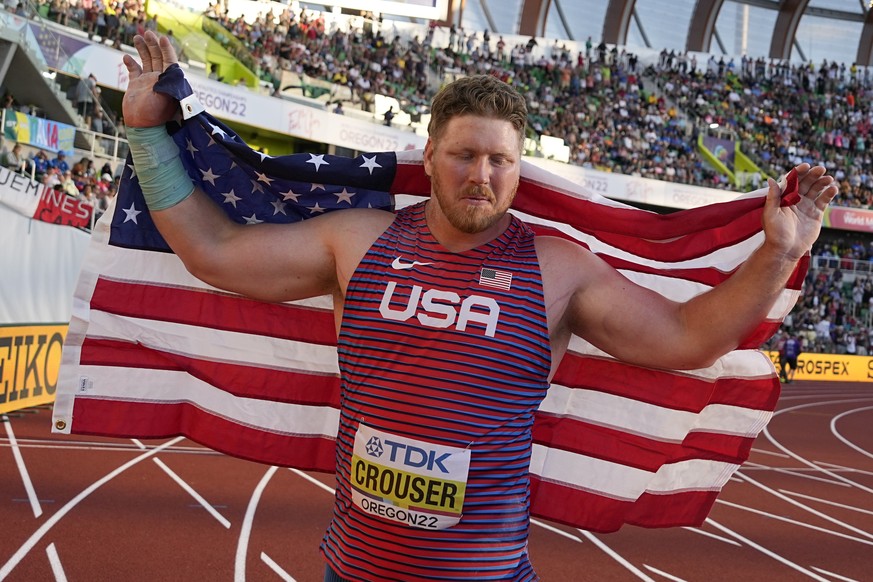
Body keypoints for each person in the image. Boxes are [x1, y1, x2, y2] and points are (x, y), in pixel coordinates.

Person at [121, 32, 838, 581]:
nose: (482, 175)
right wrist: (146, 130)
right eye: (466, 155)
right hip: (354, 568)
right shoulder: (356, 242)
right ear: (429, 154)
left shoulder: (558, 271)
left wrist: (777, 252)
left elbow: (686, 338)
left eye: (501, 161)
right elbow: (213, 252)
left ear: (519, 168)